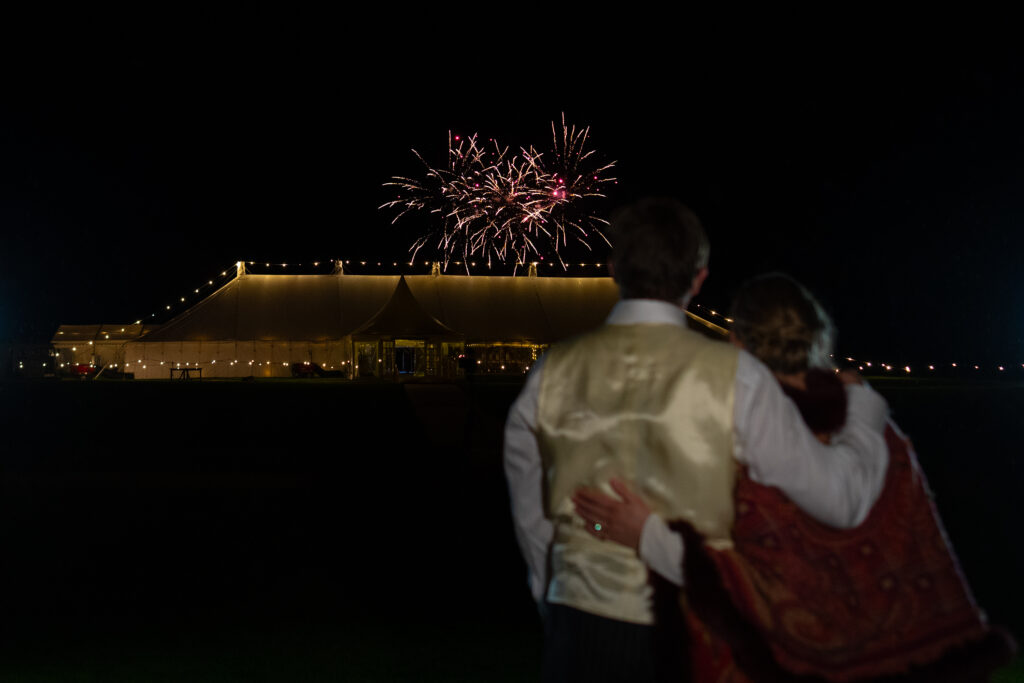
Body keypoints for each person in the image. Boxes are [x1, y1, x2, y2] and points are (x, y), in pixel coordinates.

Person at [503, 199, 892, 683]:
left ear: (612, 271)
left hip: (581, 628)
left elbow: (533, 515)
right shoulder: (738, 378)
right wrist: (863, 415)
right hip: (703, 636)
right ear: (699, 278)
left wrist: (559, 598)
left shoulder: (549, 374)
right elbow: (841, 499)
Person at [573, 273, 1016, 682]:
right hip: (916, 665)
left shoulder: (735, 440)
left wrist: (645, 534)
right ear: (818, 341)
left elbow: (747, 580)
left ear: (738, 345)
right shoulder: (881, 431)